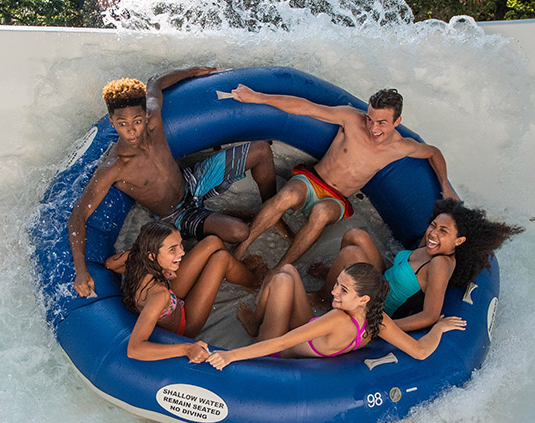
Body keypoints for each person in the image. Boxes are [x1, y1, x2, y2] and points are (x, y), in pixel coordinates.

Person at [69, 68, 278, 297]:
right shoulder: (115, 167)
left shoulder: (154, 121)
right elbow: (78, 217)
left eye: (137, 121)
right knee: (239, 232)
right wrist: (81, 270)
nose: (131, 131)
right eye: (122, 124)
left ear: (146, 115)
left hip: (191, 181)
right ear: (112, 122)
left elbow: (155, 82)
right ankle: (212, 226)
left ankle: (272, 210)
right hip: (176, 215)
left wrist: (198, 71)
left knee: (261, 150)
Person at [230, 84, 459, 268]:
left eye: (382, 123)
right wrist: (257, 96)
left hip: (336, 199)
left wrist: (445, 185)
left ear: (397, 122)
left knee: (320, 214)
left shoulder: (401, 147)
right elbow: (306, 107)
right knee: (285, 197)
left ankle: (281, 269)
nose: (373, 128)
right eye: (370, 119)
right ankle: (242, 247)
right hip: (313, 180)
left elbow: (433, 152)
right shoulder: (351, 118)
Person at [310, 198, 524, 332]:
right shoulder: (430, 243)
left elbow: (430, 315)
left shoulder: (440, 264)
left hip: (380, 305)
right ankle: (332, 276)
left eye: (443, 231)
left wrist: (381, 328)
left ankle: (325, 298)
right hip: (385, 279)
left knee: (351, 253)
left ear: (459, 241)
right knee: (356, 235)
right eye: (434, 225)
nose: (433, 233)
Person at [206, 262, 466, 370]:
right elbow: (420, 351)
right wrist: (438, 329)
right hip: (311, 333)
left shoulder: (337, 319)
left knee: (282, 278)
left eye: (343, 289)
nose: (334, 291)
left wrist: (231, 355)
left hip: (278, 350)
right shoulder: (378, 319)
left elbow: (281, 343)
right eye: (337, 284)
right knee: (287, 270)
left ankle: (255, 323)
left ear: (363, 298)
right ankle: (258, 314)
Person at [104, 221, 262, 363]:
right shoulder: (158, 295)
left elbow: (109, 264)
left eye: (180, 245)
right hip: (185, 324)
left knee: (212, 242)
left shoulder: (138, 258)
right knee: (221, 259)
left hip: (168, 289)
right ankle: (255, 282)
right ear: (152, 255)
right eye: (172, 249)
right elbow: (134, 349)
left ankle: (239, 268)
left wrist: (163, 268)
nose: (182, 252)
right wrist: (186, 348)